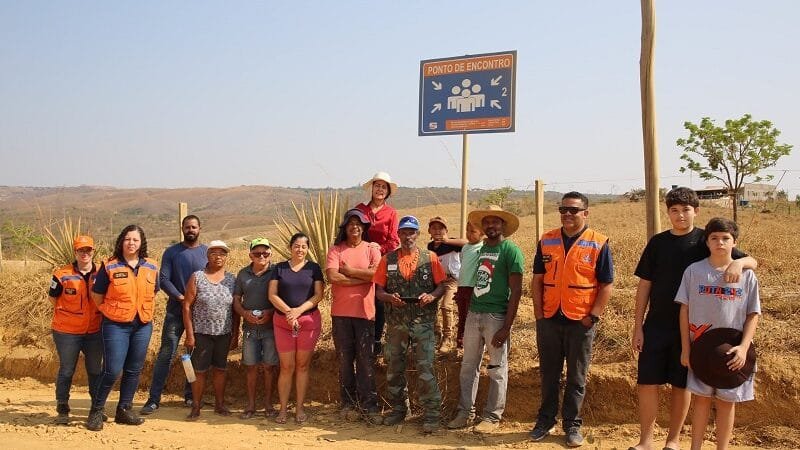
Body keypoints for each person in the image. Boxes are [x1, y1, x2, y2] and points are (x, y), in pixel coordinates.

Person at [630, 187, 757, 450]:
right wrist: (637, 326)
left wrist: (739, 263)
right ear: (668, 213)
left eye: (686, 210)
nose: (680, 216)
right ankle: (646, 441)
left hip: (694, 330)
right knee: (647, 382)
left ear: (696, 211)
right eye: (674, 211)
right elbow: (644, 285)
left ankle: (673, 441)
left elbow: (752, 261)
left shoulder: (707, 240)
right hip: (657, 324)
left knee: (682, 384)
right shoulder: (657, 242)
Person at [530, 192, 614, 447]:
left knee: (577, 377)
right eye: (563, 209)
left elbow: (606, 284)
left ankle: (572, 425)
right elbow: (537, 279)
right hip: (550, 318)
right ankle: (545, 420)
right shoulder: (547, 240)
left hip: (581, 321)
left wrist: (593, 317)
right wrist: (538, 314)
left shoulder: (598, 242)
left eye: (573, 210)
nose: (567, 214)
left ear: (585, 213)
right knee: (549, 374)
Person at [676, 217, 760, 450]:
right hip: (700, 349)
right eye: (714, 238)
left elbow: (753, 314)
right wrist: (686, 348)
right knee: (701, 401)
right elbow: (684, 309)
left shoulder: (747, 276)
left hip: (733, 351)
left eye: (725, 238)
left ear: (734, 242)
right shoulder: (694, 271)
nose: (720, 242)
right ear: (707, 241)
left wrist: (744, 348)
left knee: (726, 403)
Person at [448, 205, 524, 433]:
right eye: (487, 222)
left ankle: (492, 416)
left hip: (496, 316)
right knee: (468, 367)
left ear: (503, 225)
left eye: (496, 222)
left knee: (497, 367)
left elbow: (517, 291)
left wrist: (506, 327)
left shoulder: (511, 250)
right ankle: (465, 413)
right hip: (474, 313)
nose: (491, 225)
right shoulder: (480, 250)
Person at [373, 215, 447, 433]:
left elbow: (441, 286)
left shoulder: (430, 257)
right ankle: (398, 410)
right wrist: (389, 298)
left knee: (426, 367)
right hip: (396, 323)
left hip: (423, 322)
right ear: (398, 235)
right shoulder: (387, 259)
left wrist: (432, 297)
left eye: (411, 232)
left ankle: (432, 414)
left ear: (418, 234)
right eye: (404, 232)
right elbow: (378, 290)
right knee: (394, 366)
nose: (408, 236)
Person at [87, 225, 158, 431]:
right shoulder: (109, 266)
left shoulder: (152, 266)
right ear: (121, 241)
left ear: (141, 243)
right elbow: (97, 294)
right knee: (112, 370)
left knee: (134, 369)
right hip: (115, 325)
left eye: (135, 240)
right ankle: (96, 410)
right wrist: (110, 311)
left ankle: (124, 409)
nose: (131, 243)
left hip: (142, 324)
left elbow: (153, 292)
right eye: (127, 239)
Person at [141, 215, 207, 415]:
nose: (190, 230)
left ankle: (189, 395)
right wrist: (181, 298)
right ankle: (154, 399)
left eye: (194, 227)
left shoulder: (206, 252)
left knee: (193, 356)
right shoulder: (171, 252)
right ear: (182, 228)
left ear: (199, 228)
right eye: (187, 227)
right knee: (166, 354)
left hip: (199, 314)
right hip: (175, 312)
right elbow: (163, 279)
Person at [326, 209, 382, 424]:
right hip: (340, 315)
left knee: (366, 360)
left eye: (359, 223)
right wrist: (362, 277)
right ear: (345, 227)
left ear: (364, 228)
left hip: (365, 314)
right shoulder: (336, 249)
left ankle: (369, 405)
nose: (355, 227)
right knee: (345, 361)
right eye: (350, 223)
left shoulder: (371, 249)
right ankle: (348, 403)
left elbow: (377, 274)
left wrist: (348, 271)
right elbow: (333, 277)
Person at [268, 232, 325, 425]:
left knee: (302, 366)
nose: (300, 249)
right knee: (286, 367)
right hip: (282, 323)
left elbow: (318, 295)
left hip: (308, 322)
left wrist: (298, 311)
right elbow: (272, 294)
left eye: (303, 246)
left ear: (307, 249)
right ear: (290, 247)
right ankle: (283, 410)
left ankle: (299, 408)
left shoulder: (314, 268)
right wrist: (288, 312)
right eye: (296, 246)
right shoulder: (279, 268)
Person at [48, 235, 103, 425]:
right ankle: (62, 406)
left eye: (88, 250)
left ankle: (97, 408)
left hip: (94, 331)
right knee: (67, 370)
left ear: (93, 252)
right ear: (75, 252)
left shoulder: (102, 273)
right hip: (67, 332)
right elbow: (53, 298)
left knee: (96, 370)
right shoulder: (61, 274)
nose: (85, 253)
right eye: (81, 250)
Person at [183, 240, 236, 420]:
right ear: (207, 255)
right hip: (202, 333)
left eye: (222, 253)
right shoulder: (197, 277)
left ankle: (219, 405)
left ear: (226, 257)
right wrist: (190, 334)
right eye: (214, 253)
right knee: (199, 371)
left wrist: (235, 334)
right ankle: (196, 406)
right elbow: (187, 306)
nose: (218, 256)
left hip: (223, 333)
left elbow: (235, 310)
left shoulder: (231, 279)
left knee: (220, 369)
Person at [231, 238, 278, 419]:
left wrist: (271, 312)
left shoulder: (277, 272)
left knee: (269, 367)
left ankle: (268, 404)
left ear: (270, 254)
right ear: (250, 254)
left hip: (271, 329)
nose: (261, 256)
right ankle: (250, 405)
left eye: (265, 253)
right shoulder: (243, 274)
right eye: (257, 253)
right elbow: (236, 299)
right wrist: (244, 314)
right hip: (249, 329)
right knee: (250, 367)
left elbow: (284, 297)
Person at [355, 171, 400, 356]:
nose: (380, 189)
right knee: (361, 298)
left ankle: (377, 339)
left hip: (382, 261)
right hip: (360, 261)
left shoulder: (391, 213)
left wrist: (378, 248)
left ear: (388, 191)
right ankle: (360, 337)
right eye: (377, 185)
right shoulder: (360, 210)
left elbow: (394, 241)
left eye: (384, 187)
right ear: (371, 188)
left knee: (379, 300)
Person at [426, 216, 467, 353]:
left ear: (446, 230)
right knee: (430, 304)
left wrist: (448, 240)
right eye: (434, 228)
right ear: (429, 231)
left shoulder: (451, 243)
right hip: (439, 281)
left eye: (441, 228)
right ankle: (436, 334)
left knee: (446, 306)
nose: (437, 231)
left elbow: (467, 243)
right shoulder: (430, 246)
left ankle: (447, 338)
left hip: (452, 281)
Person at [454, 222, 484, 349]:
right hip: (462, 287)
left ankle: (471, 343)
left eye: (473, 231)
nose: (468, 234)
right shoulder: (465, 247)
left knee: (469, 316)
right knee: (461, 315)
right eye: (467, 230)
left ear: (482, 234)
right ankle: (461, 341)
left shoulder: (482, 247)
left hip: (473, 287)